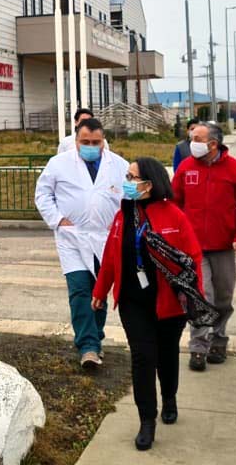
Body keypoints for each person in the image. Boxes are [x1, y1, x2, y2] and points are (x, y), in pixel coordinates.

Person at [92, 157, 204, 452]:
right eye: (126, 176)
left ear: (149, 185)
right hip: (133, 302)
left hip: (169, 304)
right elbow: (111, 257)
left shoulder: (174, 216)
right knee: (143, 357)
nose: (126, 182)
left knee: (166, 356)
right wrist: (100, 290)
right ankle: (146, 420)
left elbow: (193, 259)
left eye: (132, 177)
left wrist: (195, 298)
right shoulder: (123, 216)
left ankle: (169, 397)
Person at [35, 117, 129, 369]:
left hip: (105, 238)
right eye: (84, 141)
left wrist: (120, 221)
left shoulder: (118, 165)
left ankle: (95, 339)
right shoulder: (58, 164)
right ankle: (87, 346)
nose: (90, 146)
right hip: (71, 238)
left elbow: (128, 198)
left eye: (95, 142)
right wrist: (57, 219)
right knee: (79, 290)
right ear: (75, 141)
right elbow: (42, 193)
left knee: (99, 291)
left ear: (103, 141)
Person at [172, 122, 236, 371]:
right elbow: (174, 203)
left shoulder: (235, 170)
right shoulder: (187, 168)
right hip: (193, 247)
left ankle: (218, 340)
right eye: (191, 137)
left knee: (223, 297)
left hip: (223, 246)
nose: (191, 142)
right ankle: (198, 347)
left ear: (213, 144)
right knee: (200, 296)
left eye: (197, 138)